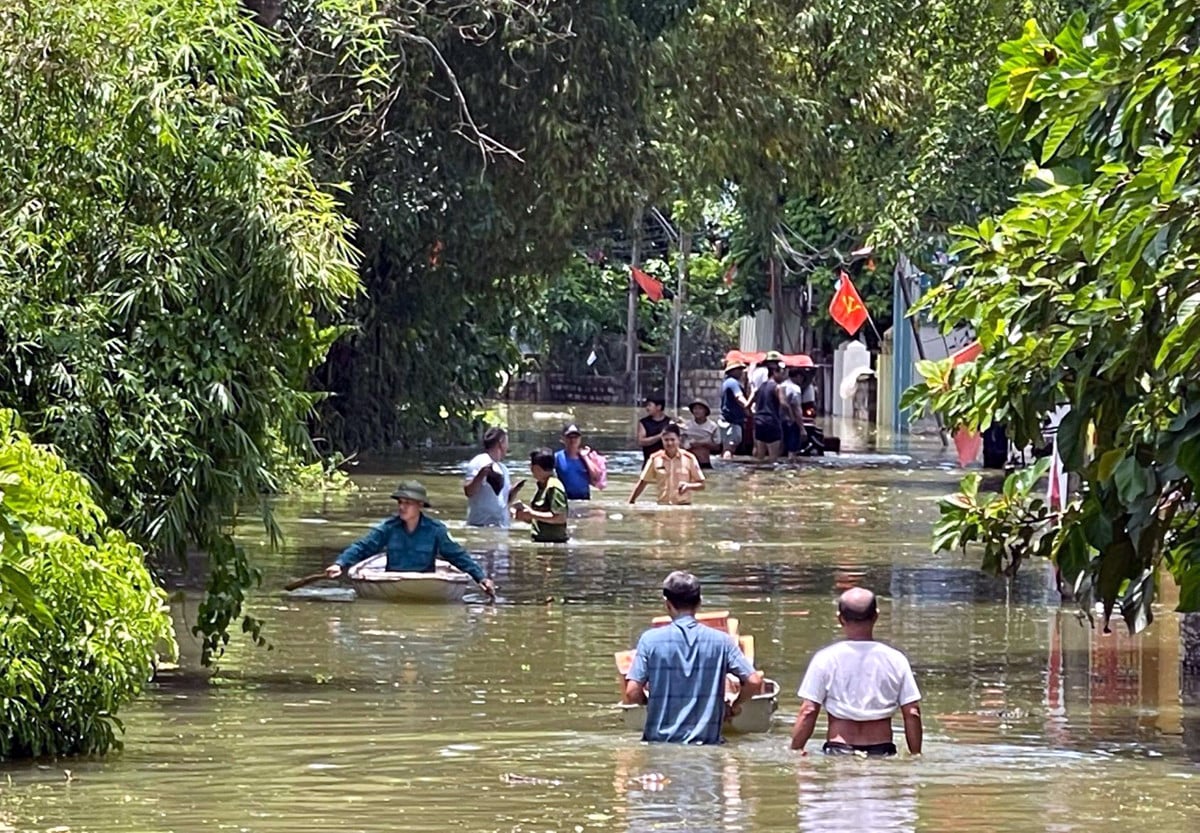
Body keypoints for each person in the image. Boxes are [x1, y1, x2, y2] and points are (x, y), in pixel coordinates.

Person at [623, 571, 763, 744]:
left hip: (660, 746)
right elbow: (754, 681)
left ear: (667, 604)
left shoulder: (649, 641)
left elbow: (632, 692)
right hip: (707, 747)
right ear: (699, 603)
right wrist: (734, 704)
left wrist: (650, 703)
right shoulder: (722, 642)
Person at [790, 587, 923, 757]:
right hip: (882, 752)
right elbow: (912, 713)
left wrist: (795, 751)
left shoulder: (825, 659)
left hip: (839, 751)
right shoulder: (896, 660)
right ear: (876, 616)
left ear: (840, 619)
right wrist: (916, 755)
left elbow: (808, 710)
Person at [325, 480, 495, 596]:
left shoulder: (436, 530)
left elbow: (458, 556)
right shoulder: (389, 528)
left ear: (420, 505)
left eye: (407, 503)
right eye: (400, 502)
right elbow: (363, 546)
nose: (402, 507)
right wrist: (340, 563)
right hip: (392, 582)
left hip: (425, 584)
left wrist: (480, 577)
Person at [628, 423, 705, 505]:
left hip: (683, 506)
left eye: (672, 440)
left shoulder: (689, 458)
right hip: (662, 506)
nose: (669, 443)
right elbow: (643, 482)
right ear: (662, 440)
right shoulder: (655, 458)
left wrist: (688, 486)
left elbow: (702, 485)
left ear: (679, 439)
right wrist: (631, 502)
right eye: (666, 440)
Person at [463, 427, 523, 528]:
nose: (507, 447)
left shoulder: (503, 468)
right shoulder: (479, 462)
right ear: (500, 443)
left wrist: (515, 490)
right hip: (480, 526)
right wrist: (481, 474)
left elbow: (504, 501)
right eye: (506, 443)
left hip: (501, 526)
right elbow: (469, 491)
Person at [513, 447, 569, 543]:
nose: (530, 469)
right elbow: (542, 518)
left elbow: (560, 518)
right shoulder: (543, 485)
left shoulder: (553, 487)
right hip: (542, 543)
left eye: (531, 465)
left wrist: (531, 514)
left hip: (553, 546)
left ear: (537, 468)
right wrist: (525, 514)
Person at [751, 358, 786, 462]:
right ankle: (771, 478)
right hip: (772, 423)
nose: (783, 376)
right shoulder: (777, 387)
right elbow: (784, 403)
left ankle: (757, 475)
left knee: (760, 456)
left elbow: (748, 404)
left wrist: (751, 413)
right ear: (775, 373)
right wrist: (790, 415)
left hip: (759, 422)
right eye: (781, 373)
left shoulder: (761, 386)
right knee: (773, 458)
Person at [554, 423, 596, 500]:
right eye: (569, 437)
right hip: (565, 500)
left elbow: (595, 479)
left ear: (580, 439)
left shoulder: (586, 457)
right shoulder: (557, 457)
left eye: (576, 437)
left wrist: (585, 457)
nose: (573, 440)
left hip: (584, 500)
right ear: (562, 438)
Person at [718, 361, 750, 459]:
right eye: (739, 370)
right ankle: (727, 466)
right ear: (733, 371)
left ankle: (725, 463)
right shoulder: (733, 382)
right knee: (730, 447)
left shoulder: (726, 382)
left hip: (726, 419)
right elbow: (739, 397)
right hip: (731, 421)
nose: (741, 372)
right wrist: (749, 407)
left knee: (727, 447)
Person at [681, 399, 720, 469]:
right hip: (689, 462)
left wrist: (702, 443)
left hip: (704, 461)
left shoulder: (712, 426)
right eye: (695, 408)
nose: (697, 411)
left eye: (700, 408)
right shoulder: (686, 426)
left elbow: (717, 447)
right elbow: (681, 445)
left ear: (705, 411)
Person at [780, 366, 809, 458]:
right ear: (798, 376)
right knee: (792, 449)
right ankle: (791, 467)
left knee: (780, 447)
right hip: (791, 422)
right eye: (802, 377)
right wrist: (802, 428)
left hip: (780, 421)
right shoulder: (795, 389)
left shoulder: (782, 385)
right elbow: (797, 409)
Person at [636, 395, 672, 462]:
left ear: (659, 407)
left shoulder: (670, 422)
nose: (647, 408)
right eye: (646, 405)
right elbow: (641, 441)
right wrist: (660, 436)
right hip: (649, 460)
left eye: (649, 405)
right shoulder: (643, 422)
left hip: (667, 461)